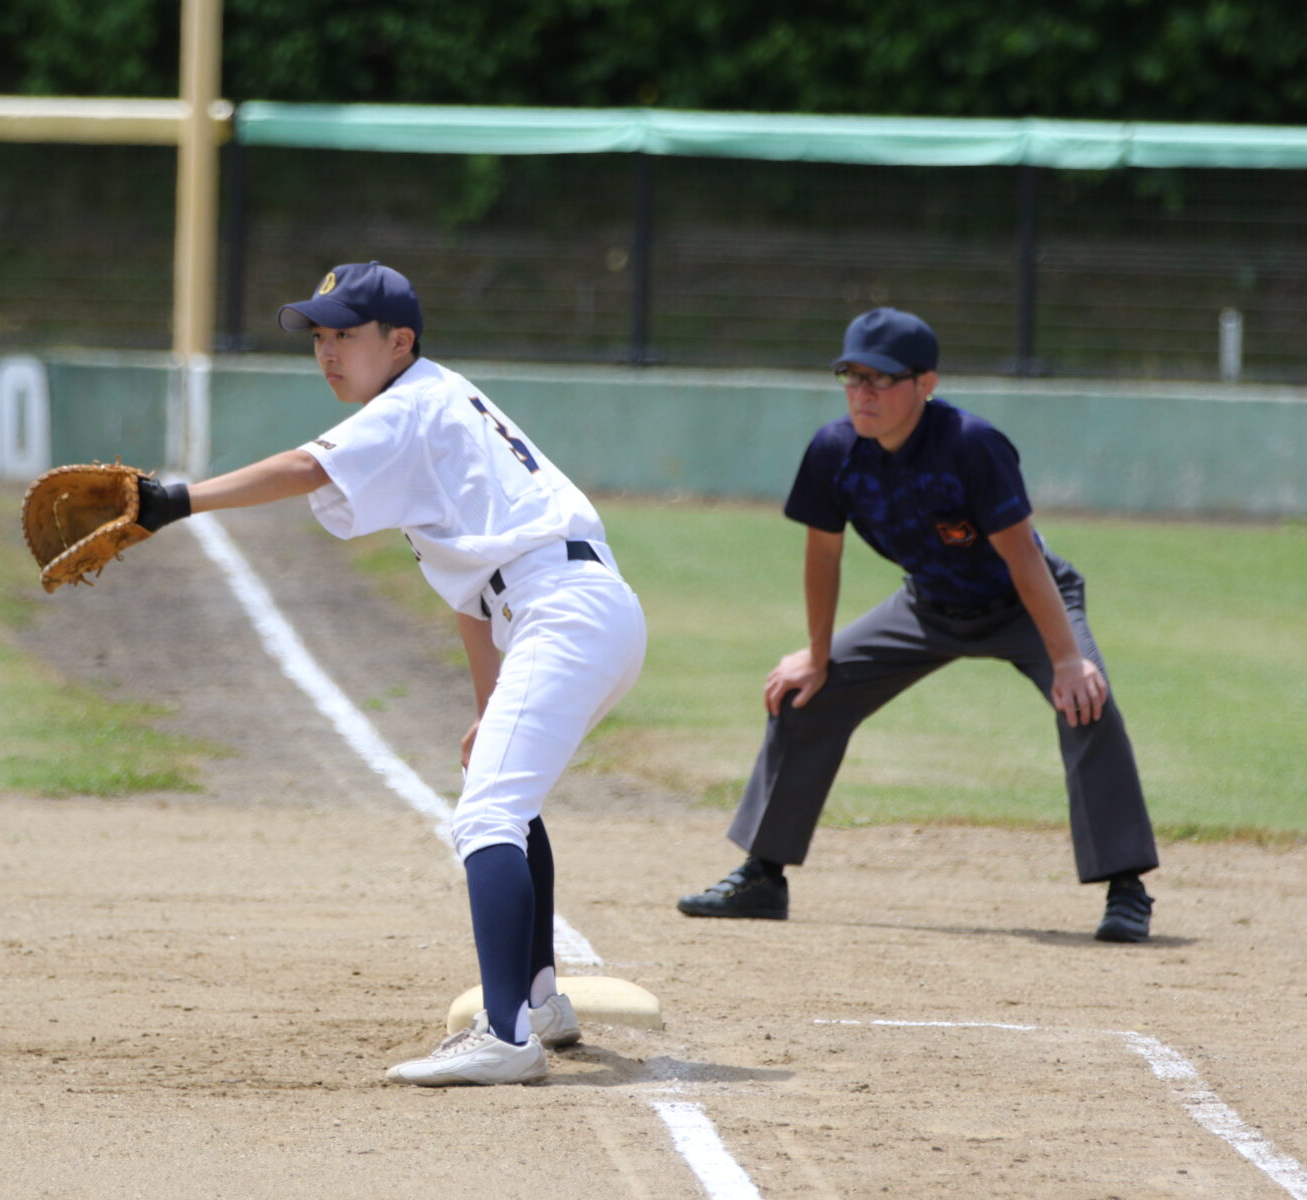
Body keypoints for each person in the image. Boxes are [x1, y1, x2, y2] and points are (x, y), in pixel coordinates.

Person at [131, 261, 647, 1084]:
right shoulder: (431, 408)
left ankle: (505, 1035)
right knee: (505, 790)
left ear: (398, 341)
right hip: (570, 606)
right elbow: (473, 592)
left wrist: (175, 501)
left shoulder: (409, 405)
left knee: (485, 820)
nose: (328, 351)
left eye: (347, 334)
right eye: (320, 336)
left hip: (564, 610)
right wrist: (488, 707)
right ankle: (541, 1000)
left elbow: (305, 468)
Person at [676, 308, 1159, 943]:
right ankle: (763, 877)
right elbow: (824, 555)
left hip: (1023, 603)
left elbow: (1023, 557)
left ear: (924, 383)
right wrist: (817, 657)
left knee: (1086, 702)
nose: (862, 392)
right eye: (851, 376)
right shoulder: (834, 452)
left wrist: (1068, 660)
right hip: (928, 606)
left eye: (880, 378)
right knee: (803, 694)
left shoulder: (970, 445)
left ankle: (1125, 888)